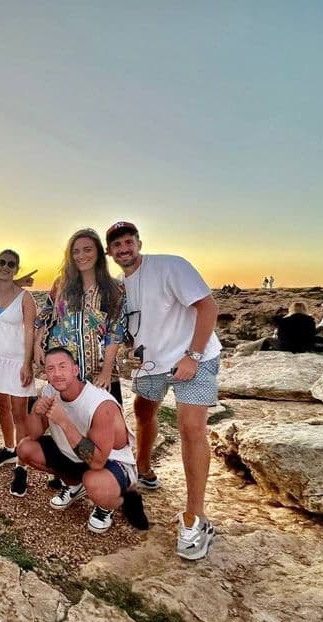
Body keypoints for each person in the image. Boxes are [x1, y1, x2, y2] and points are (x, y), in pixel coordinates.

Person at [106, 221, 221, 561]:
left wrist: (193, 355)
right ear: (111, 253)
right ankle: (143, 467)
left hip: (195, 358)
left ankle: (195, 517)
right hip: (153, 364)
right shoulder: (120, 288)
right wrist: (130, 349)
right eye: (117, 245)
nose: (124, 248)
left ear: (138, 242)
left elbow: (208, 307)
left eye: (128, 241)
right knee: (143, 411)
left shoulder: (170, 266)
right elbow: (136, 327)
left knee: (191, 427)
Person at [33, 228, 126, 503]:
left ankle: (104, 486)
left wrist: (107, 371)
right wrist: (38, 343)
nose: (81, 255)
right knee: (63, 424)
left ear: (98, 252)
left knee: (101, 432)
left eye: (87, 249)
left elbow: (115, 331)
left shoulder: (113, 288)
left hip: (98, 370)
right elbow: (46, 315)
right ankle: (72, 479)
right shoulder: (62, 284)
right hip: (63, 371)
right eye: (76, 251)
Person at [17, 348, 149, 533]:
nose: (57, 374)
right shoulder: (49, 391)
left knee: (93, 480)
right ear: (45, 373)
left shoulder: (100, 404)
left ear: (75, 370)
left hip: (110, 463)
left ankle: (112, 503)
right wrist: (35, 412)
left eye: (62, 367)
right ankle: (74, 484)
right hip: (76, 455)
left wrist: (64, 422)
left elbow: (97, 461)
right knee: (25, 449)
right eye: (51, 369)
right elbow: (33, 434)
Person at [0, 249, 37, 497]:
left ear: (17, 268)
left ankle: (22, 467)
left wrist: (28, 363)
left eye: (11, 264)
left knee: (19, 413)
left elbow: (30, 332)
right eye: (2, 262)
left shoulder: (25, 298)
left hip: (15, 361)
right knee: (1, 406)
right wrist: (1, 277)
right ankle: (9, 448)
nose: (6, 267)